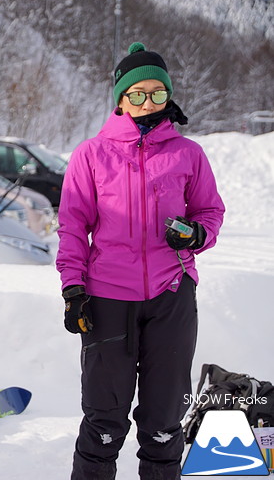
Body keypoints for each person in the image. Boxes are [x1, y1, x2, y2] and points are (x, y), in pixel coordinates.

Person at [56, 42, 225, 480]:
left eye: (156, 92)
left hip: (171, 295)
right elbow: (73, 226)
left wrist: (196, 234)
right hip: (106, 297)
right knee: (103, 422)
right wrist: (73, 287)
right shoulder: (91, 155)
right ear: (120, 99)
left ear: (169, 96)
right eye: (136, 93)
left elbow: (209, 211)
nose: (147, 102)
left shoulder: (188, 154)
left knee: (164, 422)